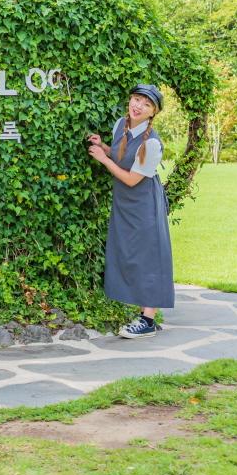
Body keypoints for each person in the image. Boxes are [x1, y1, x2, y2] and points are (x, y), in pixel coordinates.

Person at [85, 84, 172, 339]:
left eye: (146, 105)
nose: (138, 106)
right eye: (136, 100)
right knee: (128, 254)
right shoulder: (120, 124)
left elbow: (133, 178)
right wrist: (105, 148)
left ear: (153, 112)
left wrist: (104, 160)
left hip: (144, 204)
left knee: (148, 257)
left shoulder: (152, 144)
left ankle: (147, 319)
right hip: (125, 204)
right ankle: (144, 314)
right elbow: (123, 156)